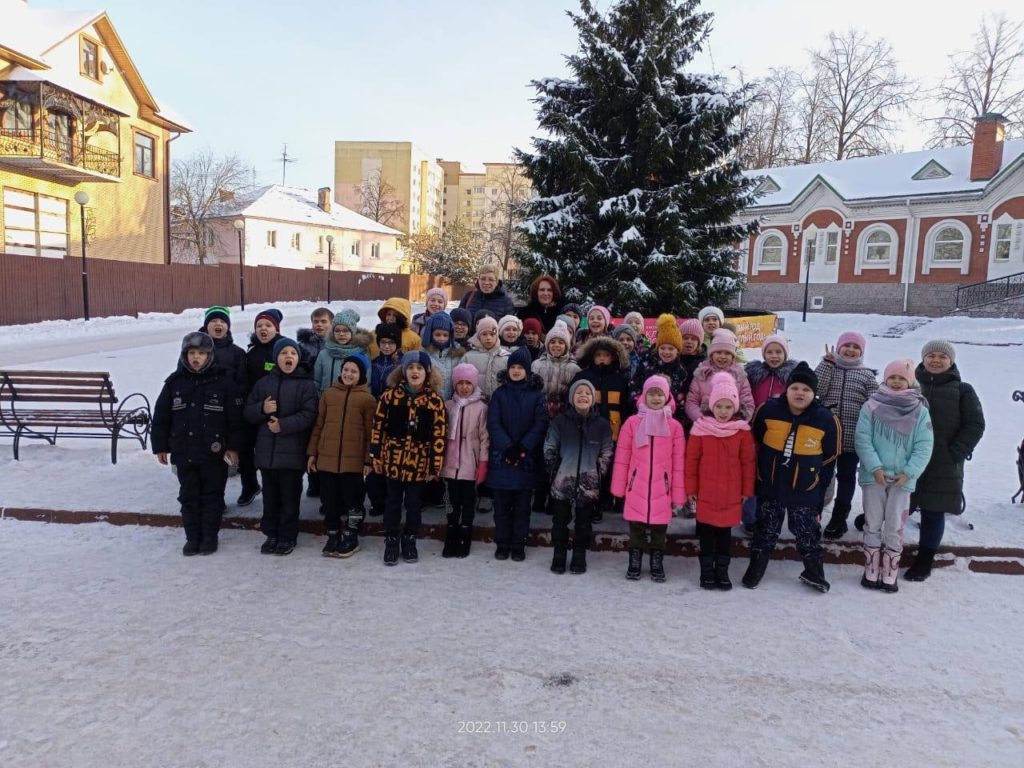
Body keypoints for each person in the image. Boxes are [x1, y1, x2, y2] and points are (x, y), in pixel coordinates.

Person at [743, 362, 840, 593]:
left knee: (807, 532)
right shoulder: (768, 410)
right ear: (787, 389)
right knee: (765, 530)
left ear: (814, 393)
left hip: (805, 488)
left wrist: (820, 491)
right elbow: (755, 442)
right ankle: (756, 568)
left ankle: (814, 572)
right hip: (771, 485)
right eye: (795, 388)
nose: (800, 393)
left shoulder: (825, 418)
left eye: (806, 390)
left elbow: (829, 459)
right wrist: (758, 479)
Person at [152, 332, 242, 556]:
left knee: (212, 497)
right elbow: (162, 416)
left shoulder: (224, 382)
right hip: (184, 452)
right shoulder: (175, 382)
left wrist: (232, 447)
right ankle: (192, 538)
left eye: (201, 353)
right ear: (184, 355)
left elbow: (235, 420)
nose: (196, 358)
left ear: (209, 355)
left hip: (214, 454)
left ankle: (210, 537)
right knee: (188, 497)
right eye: (192, 353)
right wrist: (160, 446)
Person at [903, 341, 985, 582]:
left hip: (944, 461)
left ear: (951, 361)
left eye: (942, 356)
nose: (936, 360)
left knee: (933, 511)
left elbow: (975, 424)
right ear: (923, 359)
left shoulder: (962, 390)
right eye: (931, 355)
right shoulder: (910, 386)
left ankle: (925, 559)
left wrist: (955, 452)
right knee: (898, 501)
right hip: (908, 459)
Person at [854, 359, 934, 592]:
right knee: (873, 523)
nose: (897, 382)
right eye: (893, 377)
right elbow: (863, 438)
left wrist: (909, 473)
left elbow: (924, 445)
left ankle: (890, 571)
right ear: (885, 379)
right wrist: (875, 468)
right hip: (874, 477)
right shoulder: (871, 406)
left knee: (895, 525)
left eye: (902, 378)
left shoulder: (920, 411)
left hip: (902, 480)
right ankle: (871, 569)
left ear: (910, 382)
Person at [369, 351, 447, 566]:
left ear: (427, 372)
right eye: (411, 367)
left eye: (420, 368)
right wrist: (375, 454)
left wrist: (435, 464)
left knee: (413, 505)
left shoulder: (435, 402)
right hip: (392, 461)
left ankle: (410, 539)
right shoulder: (390, 396)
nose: (415, 371)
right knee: (392, 503)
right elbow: (378, 428)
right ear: (403, 371)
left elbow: (439, 436)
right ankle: (392, 539)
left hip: (418, 465)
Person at [244, 337, 319, 556]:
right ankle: (271, 534)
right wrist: (262, 409)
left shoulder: (306, 385)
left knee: (289, 498)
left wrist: (283, 425)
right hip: (267, 455)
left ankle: (287, 536)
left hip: (293, 455)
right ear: (276, 358)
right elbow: (248, 412)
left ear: (298, 358)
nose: (289, 357)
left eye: (293, 353)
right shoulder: (263, 383)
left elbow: (309, 415)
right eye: (284, 353)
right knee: (270, 498)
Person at [611, 376, 686, 583]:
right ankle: (634, 560)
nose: (655, 398)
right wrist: (619, 487)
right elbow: (622, 457)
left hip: (663, 488)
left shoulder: (675, 427)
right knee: (636, 528)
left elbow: (679, 463)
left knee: (659, 529)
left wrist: (678, 495)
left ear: (667, 396)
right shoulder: (633, 423)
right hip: (637, 486)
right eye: (651, 394)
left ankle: (656, 562)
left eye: (659, 394)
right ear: (644, 396)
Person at [684, 373, 755, 590]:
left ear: (734, 407)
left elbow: (748, 463)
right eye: (719, 406)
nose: (723, 412)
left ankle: (722, 571)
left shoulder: (741, 432)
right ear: (711, 406)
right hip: (706, 492)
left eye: (727, 406)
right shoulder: (701, 429)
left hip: (731, 493)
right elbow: (691, 462)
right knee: (706, 534)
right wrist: (691, 489)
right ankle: (706, 572)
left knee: (724, 534)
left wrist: (746, 491)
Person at [307, 353, 375, 559]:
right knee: (329, 501)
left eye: (353, 371)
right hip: (327, 460)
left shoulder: (367, 399)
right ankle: (333, 533)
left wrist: (368, 460)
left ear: (361, 375)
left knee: (354, 500)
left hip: (353, 463)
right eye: (346, 370)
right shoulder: (328, 394)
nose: (348, 374)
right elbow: (319, 425)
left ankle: (352, 534)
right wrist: (312, 453)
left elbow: (371, 433)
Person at [544, 379, 613, 575]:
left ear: (593, 399)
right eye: (579, 392)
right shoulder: (560, 421)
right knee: (560, 520)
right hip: (563, 480)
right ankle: (559, 553)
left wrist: (599, 470)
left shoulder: (601, 424)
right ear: (572, 397)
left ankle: (579, 553)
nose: (583, 396)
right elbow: (549, 447)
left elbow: (607, 451)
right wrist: (554, 469)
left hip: (588, 482)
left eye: (587, 393)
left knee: (583, 522)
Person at [486, 346, 549, 561]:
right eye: (512, 367)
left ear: (527, 370)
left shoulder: (537, 396)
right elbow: (493, 423)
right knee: (501, 508)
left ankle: (518, 544)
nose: (515, 371)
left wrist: (523, 448)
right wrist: (507, 447)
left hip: (526, 460)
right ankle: (502, 543)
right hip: (502, 459)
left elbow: (540, 424)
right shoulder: (499, 394)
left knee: (522, 508)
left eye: (520, 367)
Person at [815, 331, 879, 540]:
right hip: (826, 438)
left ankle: (838, 519)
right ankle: (813, 515)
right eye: (847, 346)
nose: (851, 350)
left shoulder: (867, 375)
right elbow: (817, 389)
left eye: (856, 347)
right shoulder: (829, 368)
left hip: (852, 439)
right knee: (821, 477)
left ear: (862, 352)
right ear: (838, 347)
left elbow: (876, 405)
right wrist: (827, 364)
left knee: (846, 477)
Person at [440, 363, 490, 558]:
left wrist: (483, 463)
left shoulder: (481, 408)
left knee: (468, 501)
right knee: (451, 500)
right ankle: (451, 531)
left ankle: (465, 534)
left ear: (474, 384)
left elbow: (485, 438)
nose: (464, 387)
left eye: (468, 383)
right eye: (459, 383)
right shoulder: (448, 405)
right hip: (450, 464)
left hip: (470, 461)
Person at [238, 307, 284, 506]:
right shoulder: (251, 352)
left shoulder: (282, 349)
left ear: (276, 329)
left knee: (274, 452)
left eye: (268, 325)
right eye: (259, 326)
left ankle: (279, 489)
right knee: (246, 449)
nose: (263, 329)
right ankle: (249, 486)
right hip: (254, 409)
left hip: (277, 408)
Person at [685, 329, 755, 424]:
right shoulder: (702, 373)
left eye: (727, 353)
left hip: (732, 426)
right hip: (705, 426)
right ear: (712, 354)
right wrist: (702, 420)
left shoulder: (740, 376)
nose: (722, 356)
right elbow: (691, 402)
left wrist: (737, 421)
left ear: (733, 356)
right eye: (718, 352)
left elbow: (747, 403)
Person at [631, 314, 690, 427]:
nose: (666, 352)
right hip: (644, 417)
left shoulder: (681, 371)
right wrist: (640, 404)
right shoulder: (646, 362)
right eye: (662, 348)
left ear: (677, 350)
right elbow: (634, 386)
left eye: (671, 349)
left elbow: (682, 397)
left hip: (668, 420)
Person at [313, 308, 372, 394]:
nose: (341, 334)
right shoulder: (324, 354)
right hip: (327, 401)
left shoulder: (362, 354)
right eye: (337, 330)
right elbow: (316, 381)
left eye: (345, 330)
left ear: (353, 332)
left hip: (352, 402)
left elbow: (367, 383)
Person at [464, 315, 511, 400]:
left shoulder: (506, 358)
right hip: (475, 403)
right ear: (478, 336)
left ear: (497, 336)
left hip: (499, 403)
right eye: (484, 334)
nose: (488, 338)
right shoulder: (468, 357)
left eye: (492, 334)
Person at [746, 334, 798, 409]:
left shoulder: (791, 376)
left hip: (781, 419)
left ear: (785, 354)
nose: (774, 356)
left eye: (778, 352)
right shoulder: (754, 375)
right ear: (764, 355)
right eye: (769, 352)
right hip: (757, 417)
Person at [201, 306, 246, 391]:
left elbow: (242, 383)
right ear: (206, 326)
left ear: (228, 327)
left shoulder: (238, 353)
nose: (218, 324)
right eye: (213, 321)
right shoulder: (195, 349)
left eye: (223, 321)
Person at [421, 311, 465, 400]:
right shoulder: (424, 355)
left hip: (453, 402)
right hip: (431, 403)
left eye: (445, 335)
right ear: (430, 334)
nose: (441, 338)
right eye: (437, 335)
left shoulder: (457, 355)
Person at [297, 306, 332, 373]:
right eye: (315, 322)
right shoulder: (302, 346)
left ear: (331, 324)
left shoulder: (337, 345)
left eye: (323, 321)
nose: (319, 324)